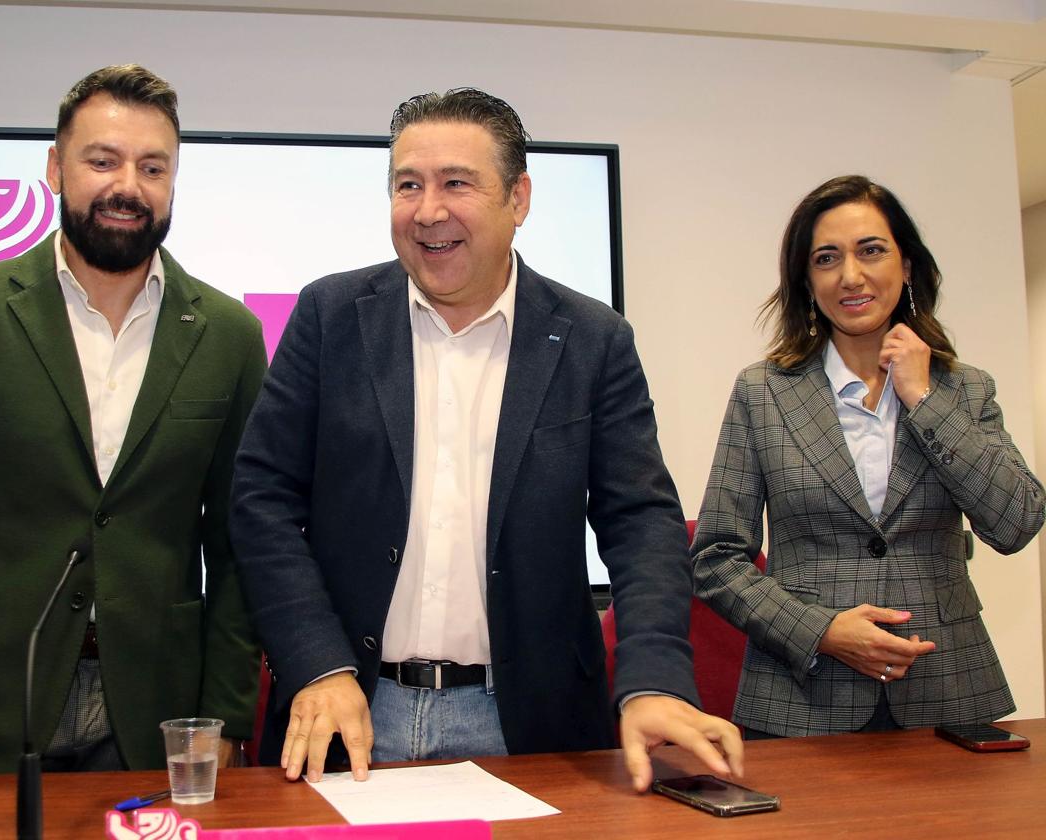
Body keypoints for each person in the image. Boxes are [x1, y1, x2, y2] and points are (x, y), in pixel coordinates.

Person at [230, 88, 743, 792]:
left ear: (519, 198)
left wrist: (655, 678)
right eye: (407, 185)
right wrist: (318, 663)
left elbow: (641, 520)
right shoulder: (330, 316)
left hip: (531, 725)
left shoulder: (593, 339)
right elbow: (260, 496)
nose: (428, 210)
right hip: (349, 714)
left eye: (456, 184)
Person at [0, 64, 266, 774]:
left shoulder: (230, 335)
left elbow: (239, 550)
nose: (128, 186)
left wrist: (226, 721)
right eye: (102, 160)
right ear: (56, 168)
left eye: (153, 167)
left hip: (157, 720)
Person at [691, 175, 1044, 738]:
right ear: (806, 281)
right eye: (826, 258)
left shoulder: (964, 390)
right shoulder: (764, 391)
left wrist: (923, 398)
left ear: (906, 267)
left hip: (948, 693)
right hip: (800, 703)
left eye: (871, 251)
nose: (850, 276)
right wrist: (821, 631)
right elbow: (717, 557)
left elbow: (1016, 522)